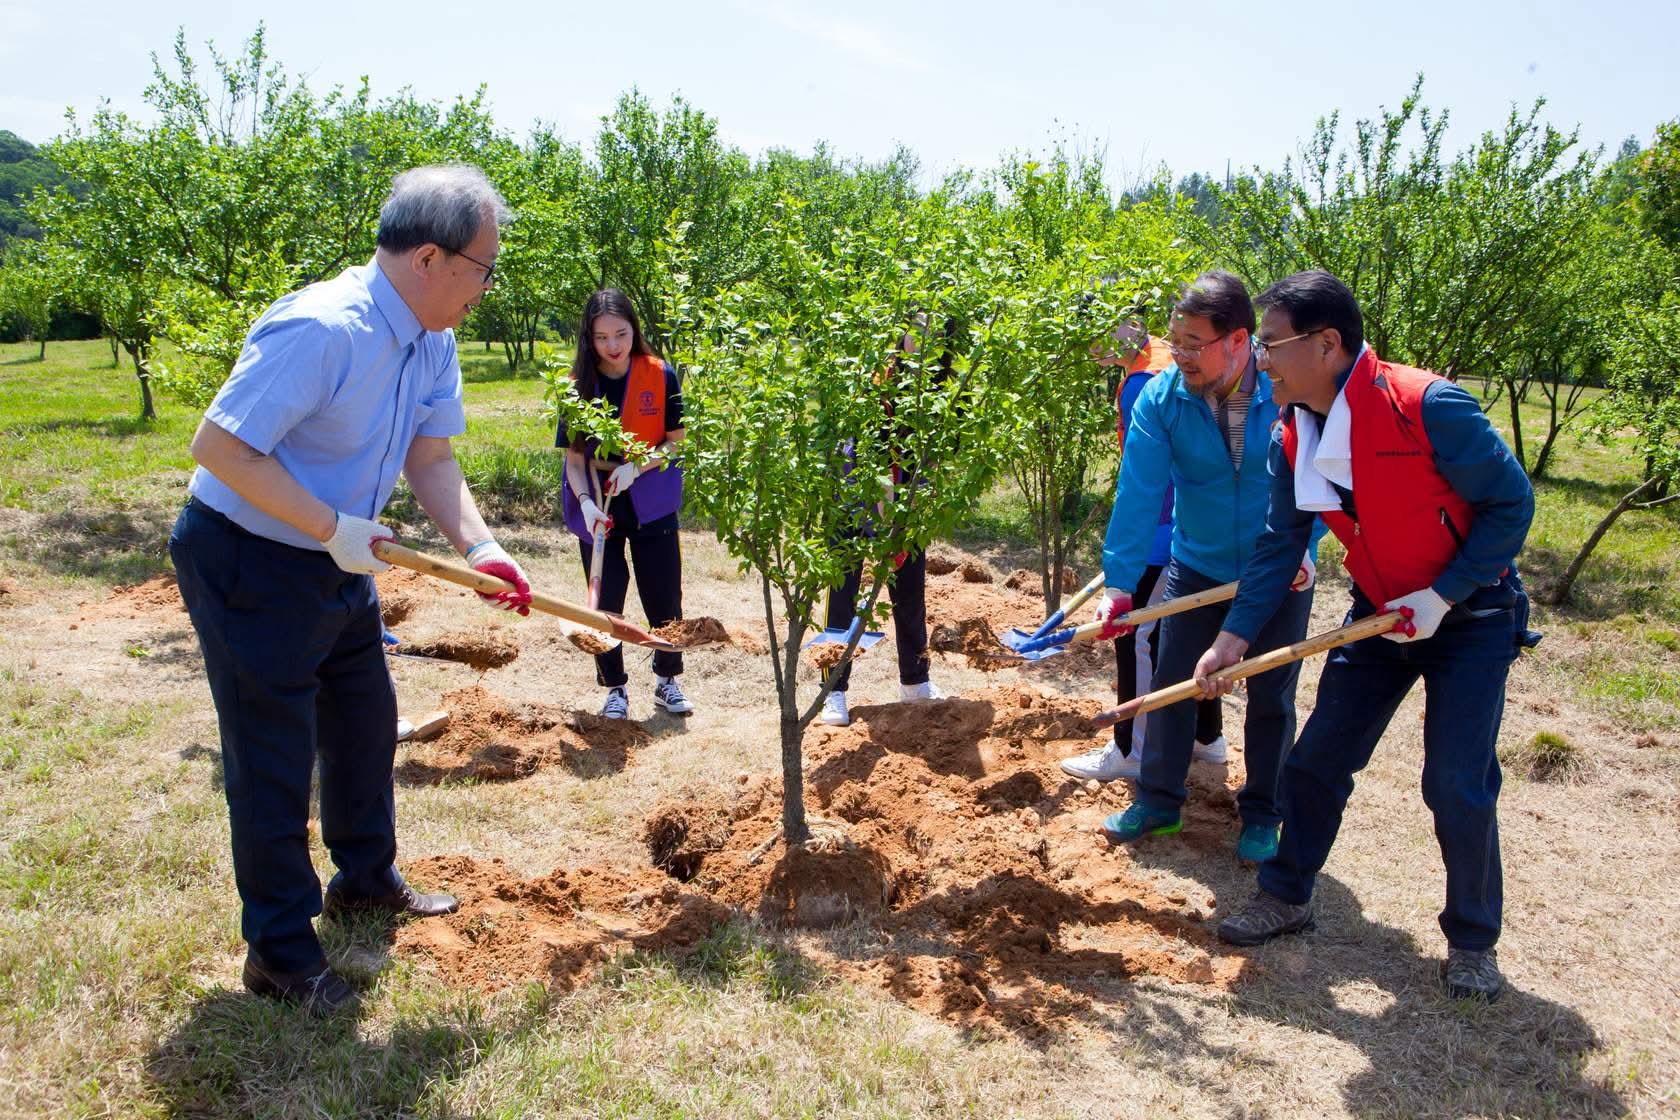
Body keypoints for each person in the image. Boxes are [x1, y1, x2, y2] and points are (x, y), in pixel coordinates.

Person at [169, 164, 533, 1016]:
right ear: (432, 258)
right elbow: (220, 448)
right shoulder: (324, 327)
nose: (487, 286)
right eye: (485, 266)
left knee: (364, 721)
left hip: (337, 557)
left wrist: (480, 548)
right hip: (248, 555)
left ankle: (364, 882)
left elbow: (432, 458)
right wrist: (331, 527)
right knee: (273, 755)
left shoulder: (431, 340)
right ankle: (282, 954)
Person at [1196, 270, 1537, 1002]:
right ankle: (1287, 895)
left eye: (1272, 344)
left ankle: (1473, 942)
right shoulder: (1295, 432)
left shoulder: (1428, 407)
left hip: (1471, 615)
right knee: (1316, 761)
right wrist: (1233, 640)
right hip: (1381, 612)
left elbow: (1513, 504)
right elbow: (1279, 544)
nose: (1260, 359)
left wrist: (1445, 594)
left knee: (1456, 783)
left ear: (1327, 345)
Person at [1060, 271, 1321, 863]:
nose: (1179, 357)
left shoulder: (1286, 388)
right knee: (1174, 680)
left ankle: (1262, 813)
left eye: (1192, 345)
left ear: (1237, 341)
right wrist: (1122, 582)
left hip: (1277, 568)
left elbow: (1324, 477)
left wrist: (1307, 546)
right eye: (1174, 343)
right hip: (1196, 563)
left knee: (1271, 695)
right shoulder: (1164, 396)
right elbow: (1138, 490)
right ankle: (1158, 800)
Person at [1086, 320, 1225, 771]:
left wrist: (1139, 549)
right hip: (1194, 529)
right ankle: (1208, 739)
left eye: (1095, 328)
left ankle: (1130, 750)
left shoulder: (1144, 383)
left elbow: (1148, 482)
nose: (1086, 343)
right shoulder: (1164, 357)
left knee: (1137, 639)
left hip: (1163, 535)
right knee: (1189, 635)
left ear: (1130, 325)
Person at [558, 289, 692, 721]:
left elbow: (675, 445)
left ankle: (667, 680)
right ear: (588, 339)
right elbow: (575, 461)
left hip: (650, 495)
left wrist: (638, 467)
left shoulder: (660, 374)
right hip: (597, 501)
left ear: (634, 329)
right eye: (601, 337)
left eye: (621, 334)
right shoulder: (577, 386)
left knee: (664, 595)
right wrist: (586, 504)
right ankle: (614, 688)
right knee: (605, 601)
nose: (613, 346)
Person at [819, 317, 952, 727]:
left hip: (903, 505)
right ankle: (834, 692)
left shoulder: (938, 391)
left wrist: (907, 526)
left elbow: (930, 461)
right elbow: (876, 467)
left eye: (935, 336)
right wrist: (886, 531)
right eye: (918, 330)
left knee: (910, 591)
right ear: (902, 333)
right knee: (842, 596)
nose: (924, 342)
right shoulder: (880, 383)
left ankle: (915, 682)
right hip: (855, 498)